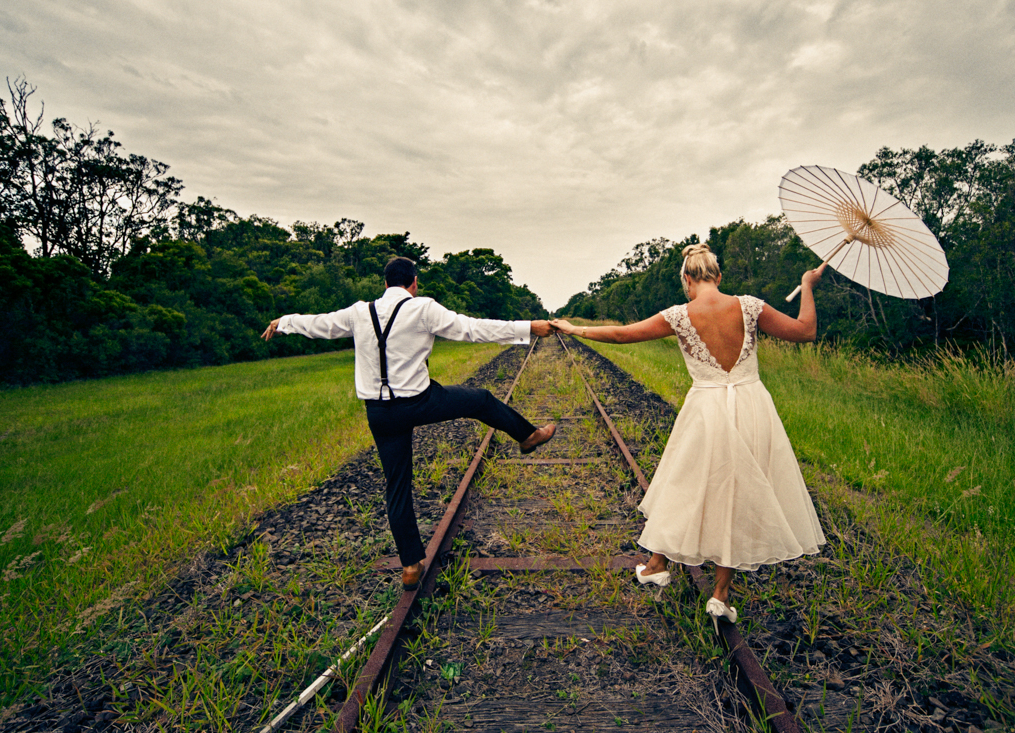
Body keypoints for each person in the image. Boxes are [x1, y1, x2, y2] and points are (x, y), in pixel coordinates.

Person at [549, 243, 827, 623]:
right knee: (739, 492)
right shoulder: (750, 306)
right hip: (752, 407)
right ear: (719, 275)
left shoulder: (679, 315)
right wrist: (807, 285)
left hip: (706, 410)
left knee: (687, 483)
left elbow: (621, 335)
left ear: (686, 278)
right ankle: (720, 594)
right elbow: (805, 331)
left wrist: (573, 327)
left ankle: (655, 565)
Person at [263, 256, 555, 591]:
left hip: (380, 412)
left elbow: (321, 325)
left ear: (385, 283)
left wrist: (283, 321)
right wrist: (527, 327)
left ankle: (410, 565)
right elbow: (472, 328)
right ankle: (528, 435)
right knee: (481, 400)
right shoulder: (423, 308)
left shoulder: (360, 312)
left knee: (397, 486)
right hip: (420, 403)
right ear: (413, 283)